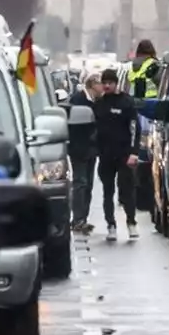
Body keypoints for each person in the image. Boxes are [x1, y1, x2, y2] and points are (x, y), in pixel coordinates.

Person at [94, 68, 140, 241]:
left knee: (127, 190)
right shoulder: (99, 104)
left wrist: (134, 152)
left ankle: (131, 222)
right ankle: (111, 224)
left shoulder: (127, 102)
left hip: (124, 154)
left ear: (116, 83)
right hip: (105, 155)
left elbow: (134, 128)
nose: (106, 86)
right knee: (107, 191)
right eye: (104, 83)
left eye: (110, 83)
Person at [67, 73, 101, 233]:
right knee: (80, 183)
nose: (103, 87)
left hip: (92, 149)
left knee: (88, 184)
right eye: (101, 83)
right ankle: (77, 219)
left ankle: (83, 218)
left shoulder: (98, 101)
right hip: (79, 149)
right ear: (93, 84)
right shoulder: (78, 100)